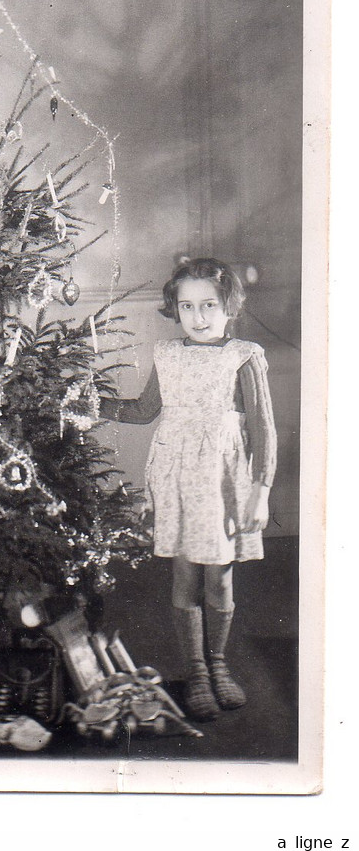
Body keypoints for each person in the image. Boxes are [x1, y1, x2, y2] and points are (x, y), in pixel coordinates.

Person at [101, 257, 277, 721]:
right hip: (176, 478)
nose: (198, 318)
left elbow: (263, 430)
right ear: (174, 309)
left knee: (218, 577)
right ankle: (195, 670)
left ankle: (218, 663)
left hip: (222, 483)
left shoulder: (244, 356)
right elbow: (142, 410)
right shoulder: (169, 354)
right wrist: (89, 402)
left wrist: (261, 491)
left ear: (228, 308)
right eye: (187, 307)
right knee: (184, 575)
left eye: (209, 306)